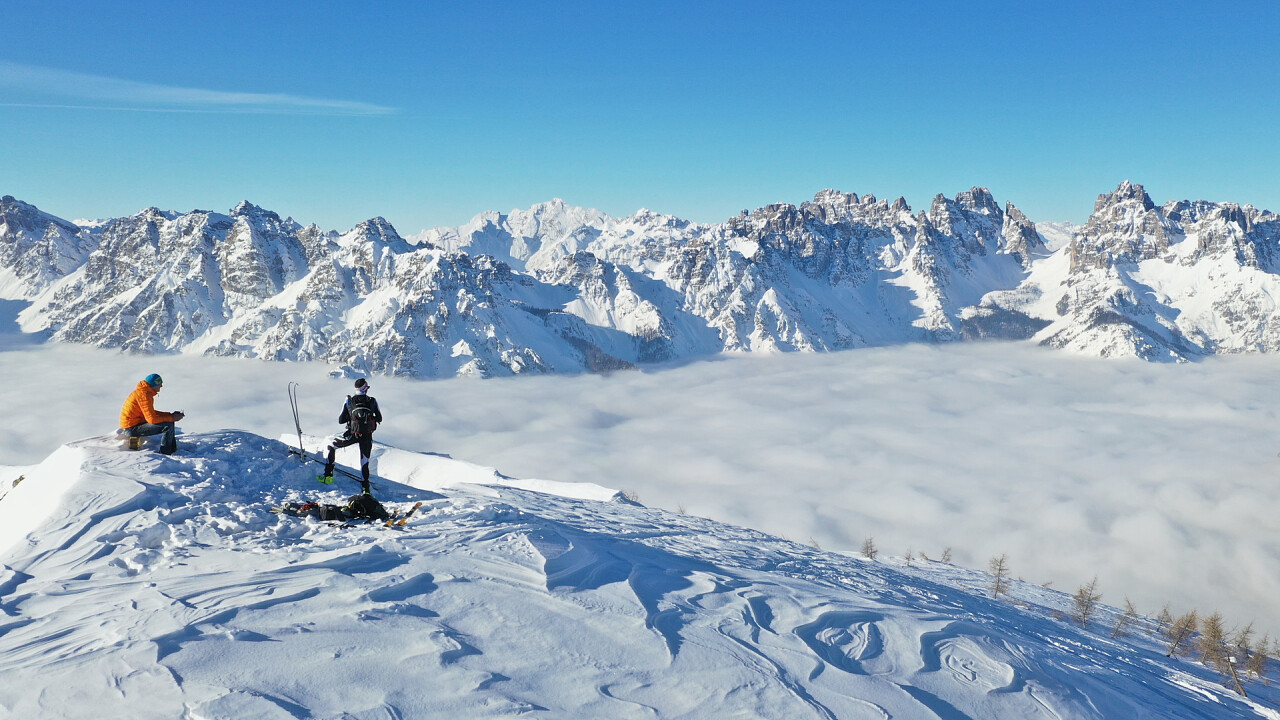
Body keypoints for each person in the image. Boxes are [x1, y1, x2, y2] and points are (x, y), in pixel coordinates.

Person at [321, 378, 382, 493]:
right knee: (364, 461)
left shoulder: (349, 401)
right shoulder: (372, 401)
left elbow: (341, 420)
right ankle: (365, 488)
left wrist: (351, 415)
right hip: (367, 436)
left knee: (331, 446)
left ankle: (328, 476)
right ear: (365, 389)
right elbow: (380, 418)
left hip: (353, 434)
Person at [119, 373, 184, 455]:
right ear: (154, 385)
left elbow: (150, 412)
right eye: (160, 384)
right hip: (131, 428)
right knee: (168, 425)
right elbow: (152, 419)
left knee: (169, 421)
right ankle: (166, 452)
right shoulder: (144, 395)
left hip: (133, 424)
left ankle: (172, 449)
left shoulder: (143, 392)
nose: (161, 386)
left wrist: (170, 415)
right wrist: (171, 418)